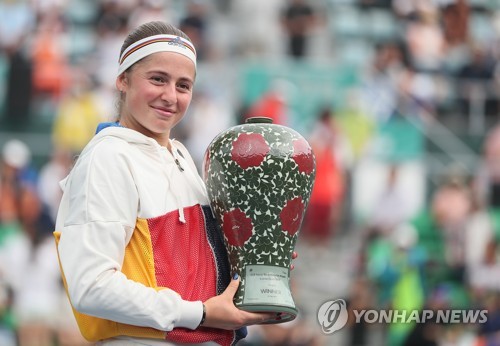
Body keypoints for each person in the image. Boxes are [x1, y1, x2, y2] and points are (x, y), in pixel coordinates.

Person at [54, 21, 292, 346]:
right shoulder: (108, 156)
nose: (170, 96)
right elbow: (91, 286)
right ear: (122, 79)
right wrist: (202, 314)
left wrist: (260, 254)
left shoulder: (179, 155)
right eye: (157, 79)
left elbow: (194, 270)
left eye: (183, 85)